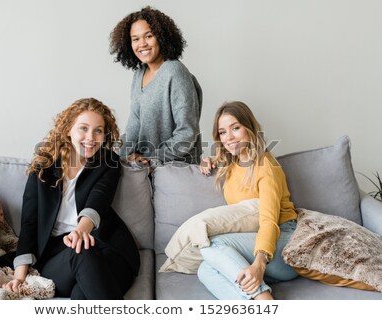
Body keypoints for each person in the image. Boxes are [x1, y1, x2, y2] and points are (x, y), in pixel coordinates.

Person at [0, 98, 140, 299]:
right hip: (59, 257)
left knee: (81, 295)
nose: (91, 137)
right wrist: (20, 277)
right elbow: (30, 223)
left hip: (108, 248)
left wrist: (80, 232)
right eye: (83, 128)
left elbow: (98, 200)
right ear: (68, 130)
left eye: (98, 130)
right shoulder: (43, 167)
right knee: (80, 251)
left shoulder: (108, 162)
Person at [198, 101, 298, 300]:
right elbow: (223, 153)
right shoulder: (233, 161)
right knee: (205, 270)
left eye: (235, 128)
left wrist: (259, 264)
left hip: (283, 248)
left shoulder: (265, 166)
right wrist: (207, 160)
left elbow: (269, 221)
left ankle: (264, 301)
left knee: (211, 244)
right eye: (223, 132)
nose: (229, 138)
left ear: (249, 128)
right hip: (252, 244)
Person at [109, 6, 203, 166]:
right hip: (147, 166)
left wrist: (152, 158)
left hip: (176, 167)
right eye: (135, 39)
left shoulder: (175, 72)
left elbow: (187, 132)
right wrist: (117, 157)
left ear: (161, 37)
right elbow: (133, 127)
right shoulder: (139, 74)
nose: (142, 44)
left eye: (149, 36)